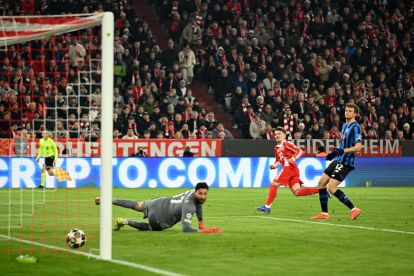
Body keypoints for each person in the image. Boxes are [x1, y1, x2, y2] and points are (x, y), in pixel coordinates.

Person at [95, 182, 221, 233]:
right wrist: (207, 231)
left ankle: (106, 199)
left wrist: (201, 222)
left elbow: (199, 205)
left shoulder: (191, 192)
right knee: (151, 227)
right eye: (200, 194)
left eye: (205, 194)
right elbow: (186, 228)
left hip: (158, 202)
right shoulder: (189, 206)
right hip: (159, 218)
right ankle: (125, 221)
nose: (203, 196)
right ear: (196, 192)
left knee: (136, 205)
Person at [311, 103, 362, 220]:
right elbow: (343, 144)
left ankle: (354, 209)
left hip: (346, 162)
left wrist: (342, 151)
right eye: (346, 110)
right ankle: (324, 213)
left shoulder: (356, 127)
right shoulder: (344, 126)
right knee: (321, 183)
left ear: (355, 114)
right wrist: (333, 154)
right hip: (338, 160)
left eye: (350, 111)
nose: (347, 112)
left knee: (331, 187)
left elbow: (358, 147)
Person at [257, 127, 319, 214]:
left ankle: (267, 207)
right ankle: (322, 190)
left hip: (288, 168)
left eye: (279, 134)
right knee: (297, 192)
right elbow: (278, 160)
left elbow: (299, 151)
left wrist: (293, 158)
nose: (277, 136)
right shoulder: (276, 148)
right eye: (275, 134)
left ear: (284, 135)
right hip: (292, 170)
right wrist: (274, 166)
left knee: (274, 184)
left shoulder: (287, 144)